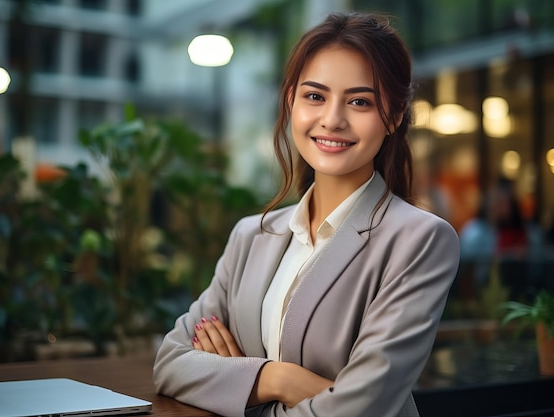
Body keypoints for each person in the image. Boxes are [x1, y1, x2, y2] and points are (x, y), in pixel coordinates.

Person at [153, 11, 460, 417]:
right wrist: (279, 379)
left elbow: (361, 407)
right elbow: (170, 364)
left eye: (360, 101)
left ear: (395, 116)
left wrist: (236, 383)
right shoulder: (252, 235)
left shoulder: (419, 240)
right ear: (291, 103)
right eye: (315, 96)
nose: (332, 119)